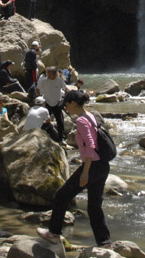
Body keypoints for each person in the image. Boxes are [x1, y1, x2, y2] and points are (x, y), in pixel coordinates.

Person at [37, 90, 112, 246]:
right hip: (102, 166)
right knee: (94, 206)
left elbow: (91, 146)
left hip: (92, 167)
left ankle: (53, 233)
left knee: (61, 196)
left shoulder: (81, 121)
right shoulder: (91, 116)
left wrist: (85, 172)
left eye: (66, 104)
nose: (65, 107)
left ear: (73, 103)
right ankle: (105, 242)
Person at [39, 66, 68, 140]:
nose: (49, 75)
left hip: (57, 103)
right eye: (48, 73)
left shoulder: (59, 80)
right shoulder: (44, 81)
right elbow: (37, 89)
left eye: (50, 73)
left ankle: (62, 138)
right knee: (43, 119)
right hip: (47, 102)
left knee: (60, 121)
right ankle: (41, 135)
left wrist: (65, 99)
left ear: (55, 74)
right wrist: (41, 98)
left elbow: (66, 89)